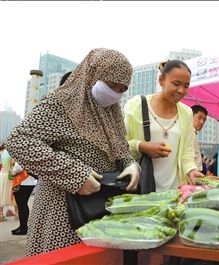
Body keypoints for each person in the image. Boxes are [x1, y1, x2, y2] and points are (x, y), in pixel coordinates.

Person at [6, 48, 140, 256]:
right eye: (111, 85)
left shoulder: (112, 111)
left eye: (122, 89)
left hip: (100, 208)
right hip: (61, 210)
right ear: (92, 75)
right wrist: (75, 174)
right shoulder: (60, 103)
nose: (115, 94)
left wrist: (130, 163)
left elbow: (119, 146)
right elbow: (20, 141)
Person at [124, 60, 203, 191]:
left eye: (186, 86)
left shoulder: (186, 113)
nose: (181, 90)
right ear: (162, 80)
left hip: (174, 191)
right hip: (140, 187)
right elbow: (119, 145)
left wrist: (191, 170)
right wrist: (142, 147)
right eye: (176, 84)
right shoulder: (137, 105)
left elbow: (187, 152)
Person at [11, 162, 37, 235]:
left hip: (23, 181)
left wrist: (12, 171)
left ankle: (23, 228)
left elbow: (18, 167)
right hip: (29, 181)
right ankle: (23, 226)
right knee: (23, 204)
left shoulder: (22, 152)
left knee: (22, 205)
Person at [0, 144, 17, 221]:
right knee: (14, 193)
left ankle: (1, 214)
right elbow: (13, 163)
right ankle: (17, 212)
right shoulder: (12, 152)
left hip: (2, 174)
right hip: (9, 175)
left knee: (2, 194)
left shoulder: (2, 152)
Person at [191, 104, 208, 175]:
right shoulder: (187, 133)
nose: (202, 122)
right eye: (199, 118)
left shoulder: (193, 133)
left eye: (204, 120)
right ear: (190, 116)